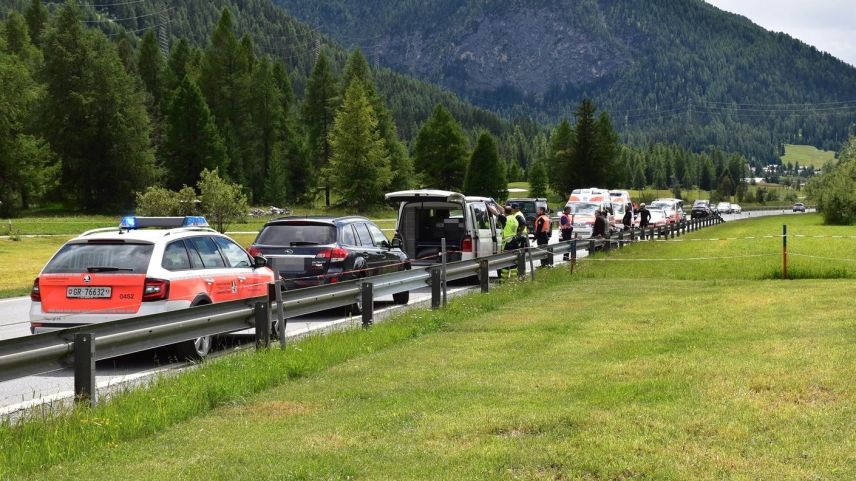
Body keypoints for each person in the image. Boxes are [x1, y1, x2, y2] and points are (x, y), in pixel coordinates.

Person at [498, 205, 520, 279]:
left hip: (507, 242)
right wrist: (494, 203)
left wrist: (488, 205)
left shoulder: (505, 219)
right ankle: (514, 278)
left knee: (505, 261)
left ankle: (504, 280)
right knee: (514, 261)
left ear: (505, 212)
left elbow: (496, 213)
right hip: (515, 241)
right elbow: (502, 210)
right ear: (511, 211)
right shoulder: (515, 219)